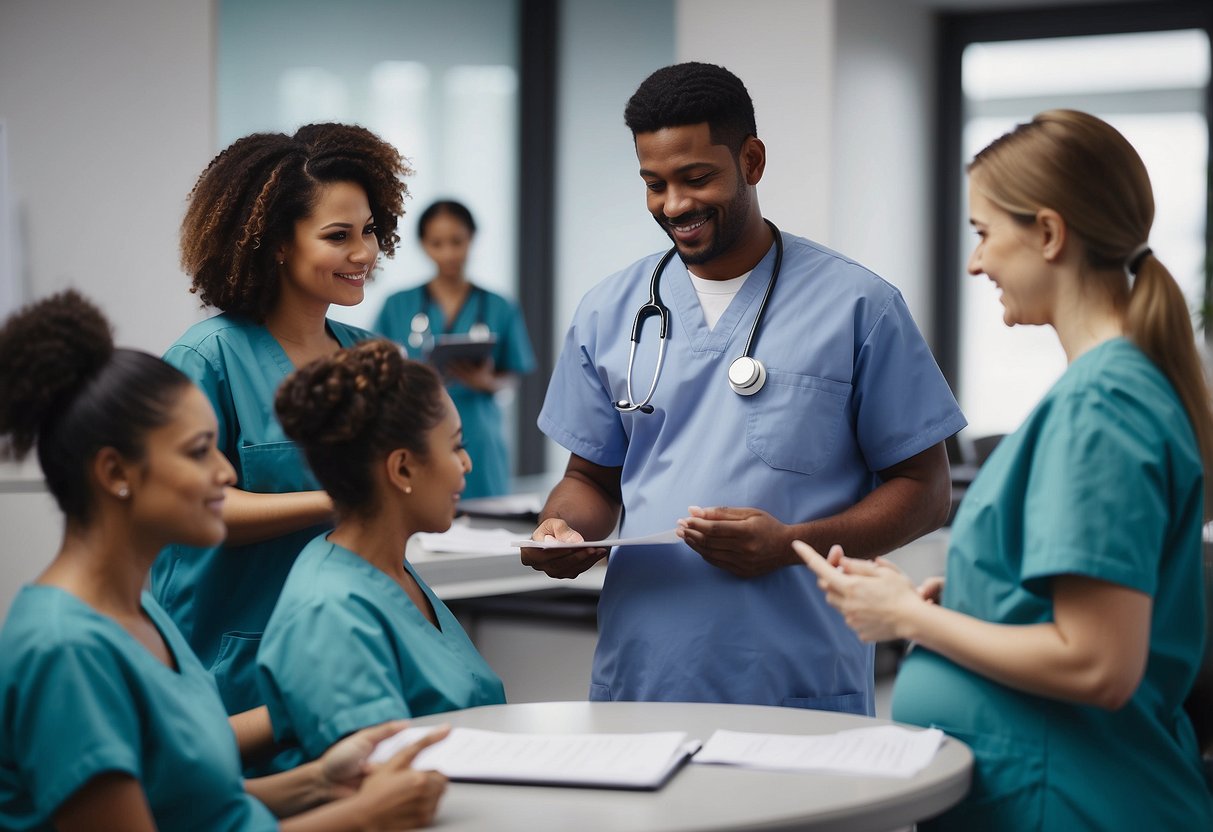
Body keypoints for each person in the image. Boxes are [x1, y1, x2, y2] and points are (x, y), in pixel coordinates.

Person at [798, 110, 1213, 829]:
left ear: (1048, 234)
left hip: (1072, 801)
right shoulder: (1109, 390)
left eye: (983, 233)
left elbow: (1095, 665)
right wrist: (957, 606)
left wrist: (908, 619)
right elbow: (1071, 617)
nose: (974, 263)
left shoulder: (1101, 405)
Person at [523, 62, 965, 712]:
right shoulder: (607, 310)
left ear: (750, 160)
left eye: (695, 178)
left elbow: (926, 493)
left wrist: (789, 545)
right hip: (644, 674)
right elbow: (592, 478)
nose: (673, 205)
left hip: (798, 677)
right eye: (654, 184)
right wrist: (562, 530)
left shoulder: (858, 306)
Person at [0, 291, 449, 832]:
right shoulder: (66, 650)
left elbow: (188, 795)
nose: (226, 472)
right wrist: (361, 817)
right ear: (116, 473)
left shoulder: (141, 615)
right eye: (198, 452)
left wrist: (321, 781)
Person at [152, 123, 412, 717]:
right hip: (229, 658)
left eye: (370, 231)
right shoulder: (206, 358)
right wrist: (348, 497)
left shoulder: (369, 357)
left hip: (347, 647)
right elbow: (189, 506)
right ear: (275, 242)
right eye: (338, 236)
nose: (364, 253)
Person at [256, 339, 506, 765]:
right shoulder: (331, 610)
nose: (466, 464)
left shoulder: (390, 570)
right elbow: (377, 789)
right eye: (455, 446)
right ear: (403, 467)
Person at [374, 200, 536, 498]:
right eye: (437, 243)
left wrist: (487, 382)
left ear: (472, 238)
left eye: (457, 241)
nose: (448, 253)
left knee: (486, 530)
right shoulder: (396, 305)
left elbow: (514, 372)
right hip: (416, 432)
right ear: (423, 245)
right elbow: (375, 369)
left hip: (479, 437)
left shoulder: (500, 306)